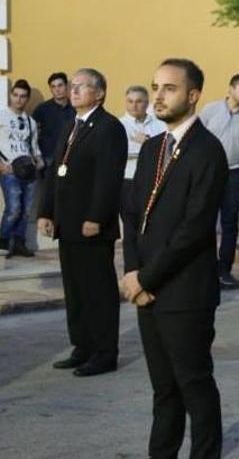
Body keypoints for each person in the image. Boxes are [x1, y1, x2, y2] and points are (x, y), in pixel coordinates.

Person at [121, 58, 227, 459]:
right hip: (147, 288)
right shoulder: (152, 148)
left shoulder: (207, 151)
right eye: (155, 87)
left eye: (169, 88)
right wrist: (133, 273)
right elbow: (132, 212)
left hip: (185, 292)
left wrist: (147, 278)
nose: (158, 97)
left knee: (194, 386)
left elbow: (193, 230)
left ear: (193, 95)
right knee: (163, 390)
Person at [38, 68, 127, 377]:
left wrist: (95, 217)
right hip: (68, 223)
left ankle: (104, 352)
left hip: (91, 225)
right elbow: (54, 171)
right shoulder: (70, 125)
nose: (73, 91)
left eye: (80, 87)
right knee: (75, 289)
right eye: (72, 86)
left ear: (99, 93)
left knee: (97, 290)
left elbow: (108, 178)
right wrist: (46, 212)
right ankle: (82, 345)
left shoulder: (109, 127)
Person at [199, 73, 239, 288]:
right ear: (231, 89)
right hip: (209, 173)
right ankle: (205, 268)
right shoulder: (210, 110)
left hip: (233, 174)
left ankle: (225, 269)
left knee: (230, 223)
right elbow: (197, 137)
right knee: (204, 221)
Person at [119, 85, 166, 266]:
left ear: (147, 103)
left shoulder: (159, 124)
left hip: (154, 182)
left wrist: (144, 142)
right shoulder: (120, 125)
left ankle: (151, 270)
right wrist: (149, 146)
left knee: (152, 229)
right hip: (128, 183)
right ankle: (132, 270)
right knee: (130, 231)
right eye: (130, 101)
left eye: (139, 101)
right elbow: (122, 153)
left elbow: (165, 150)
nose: (134, 106)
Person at [0, 80, 44, 257]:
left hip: (29, 169)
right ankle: (3, 241)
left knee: (26, 210)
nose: (19, 99)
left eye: (23, 96)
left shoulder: (31, 122)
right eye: (16, 95)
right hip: (9, 169)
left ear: (27, 99)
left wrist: (39, 162)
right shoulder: (1, 115)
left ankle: (19, 243)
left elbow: (34, 148)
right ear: (11, 95)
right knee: (14, 207)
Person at [33, 72, 75, 173]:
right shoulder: (42, 110)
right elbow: (33, 135)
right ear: (50, 89)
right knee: (50, 189)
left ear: (66, 86)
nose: (57, 89)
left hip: (71, 159)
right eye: (53, 86)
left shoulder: (75, 109)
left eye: (60, 85)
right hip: (48, 159)